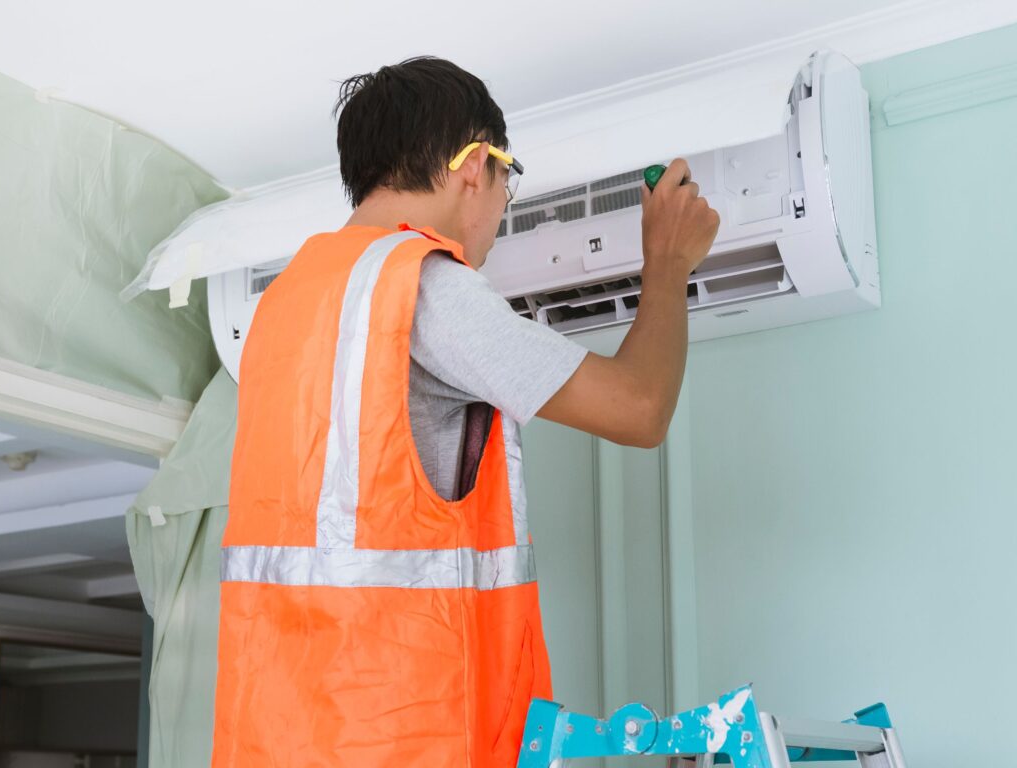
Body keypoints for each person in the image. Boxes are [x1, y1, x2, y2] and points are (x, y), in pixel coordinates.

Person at [211, 56, 719, 768]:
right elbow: (640, 410)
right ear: (476, 164)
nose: (501, 216)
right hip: (411, 734)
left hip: (276, 737)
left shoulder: (283, 309)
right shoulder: (421, 286)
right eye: (509, 182)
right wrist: (667, 263)